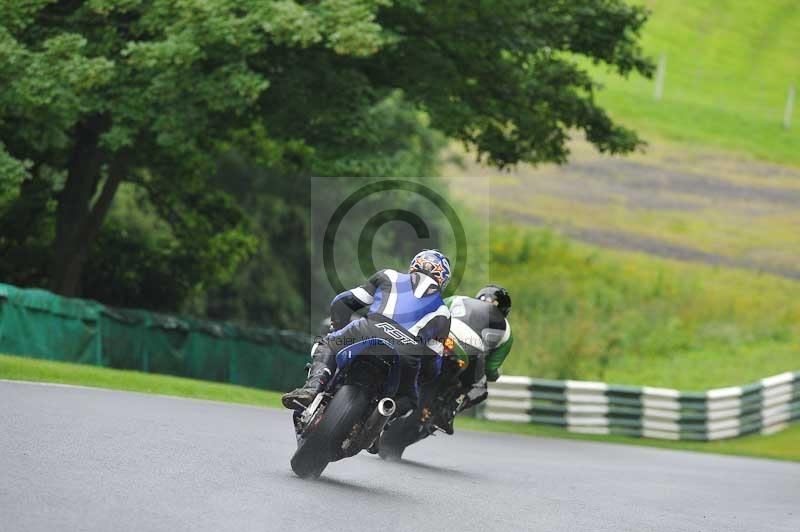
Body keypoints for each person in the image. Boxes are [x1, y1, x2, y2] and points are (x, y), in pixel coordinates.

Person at [282, 249, 452, 415]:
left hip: (368, 329)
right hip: (407, 352)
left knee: (328, 344)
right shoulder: (444, 312)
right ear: (443, 281)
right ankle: (381, 423)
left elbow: (342, 302)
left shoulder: (388, 276)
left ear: (414, 265)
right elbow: (433, 363)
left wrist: (339, 329)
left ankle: (312, 389)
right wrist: (417, 377)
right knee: (408, 400)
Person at [443, 284, 513, 427]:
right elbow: (490, 368)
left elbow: (433, 311)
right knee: (480, 388)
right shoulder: (507, 331)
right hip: (471, 355)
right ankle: (449, 412)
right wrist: (495, 375)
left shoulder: (458, 300)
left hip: (444, 340)